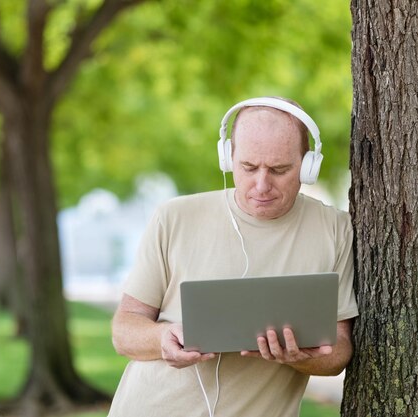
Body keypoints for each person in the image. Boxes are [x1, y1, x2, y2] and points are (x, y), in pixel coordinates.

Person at [108, 97, 358, 417]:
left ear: (309, 166)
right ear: (228, 157)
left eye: (280, 169)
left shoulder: (334, 229)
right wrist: (161, 338)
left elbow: (339, 351)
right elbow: (124, 329)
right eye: (249, 167)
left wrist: (297, 355)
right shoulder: (174, 217)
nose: (262, 185)